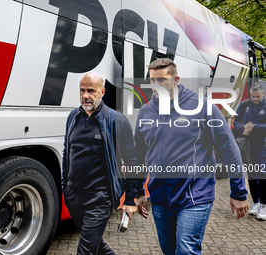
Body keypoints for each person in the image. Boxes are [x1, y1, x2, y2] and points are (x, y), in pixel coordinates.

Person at [135, 58, 249, 254]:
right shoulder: (145, 112)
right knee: (168, 249)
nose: (156, 86)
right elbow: (138, 155)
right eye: (152, 80)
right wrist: (137, 191)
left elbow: (229, 150)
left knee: (186, 250)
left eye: (162, 80)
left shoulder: (203, 107)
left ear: (176, 79)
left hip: (195, 196)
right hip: (161, 199)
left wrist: (238, 192)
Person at [62, 72, 147, 255]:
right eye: (82, 90)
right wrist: (65, 186)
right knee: (95, 244)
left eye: (91, 91)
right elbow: (66, 152)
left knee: (85, 250)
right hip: (73, 196)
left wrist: (131, 198)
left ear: (102, 91)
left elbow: (132, 161)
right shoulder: (73, 117)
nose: (85, 95)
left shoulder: (117, 120)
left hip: (99, 198)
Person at [233, 84, 266, 220]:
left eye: (257, 96)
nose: (255, 99)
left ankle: (264, 205)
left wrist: (254, 127)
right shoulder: (244, 104)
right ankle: (256, 203)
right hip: (248, 145)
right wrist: (243, 128)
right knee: (252, 173)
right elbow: (236, 122)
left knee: (263, 174)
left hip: (263, 144)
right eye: (253, 96)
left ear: (263, 94)